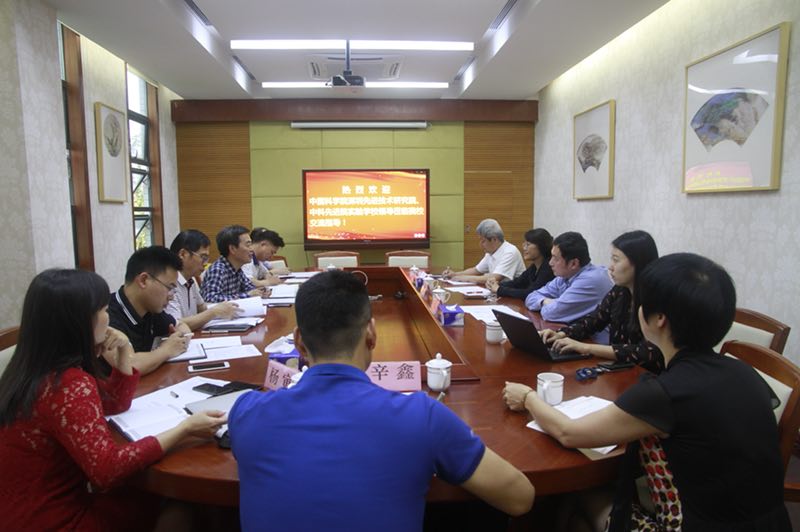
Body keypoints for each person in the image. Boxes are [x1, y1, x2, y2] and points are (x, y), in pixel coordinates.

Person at [229, 270, 535, 531]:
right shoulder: (421, 416)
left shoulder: (246, 412)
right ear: (372, 334)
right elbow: (520, 498)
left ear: (299, 342)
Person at [504, 254, 790, 531]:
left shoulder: (664, 392)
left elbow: (569, 433)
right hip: (770, 522)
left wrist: (528, 398)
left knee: (574, 496)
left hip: (693, 524)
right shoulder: (744, 372)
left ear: (659, 319)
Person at [0, 269, 226, 531]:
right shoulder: (68, 383)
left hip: (16, 510)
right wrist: (184, 429)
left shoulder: (29, 369)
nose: (108, 319)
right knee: (183, 500)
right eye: (104, 310)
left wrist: (123, 353)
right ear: (79, 320)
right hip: (54, 518)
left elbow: (114, 404)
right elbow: (108, 470)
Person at [540, 230, 664, 373]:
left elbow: (647, 352)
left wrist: (585, 347)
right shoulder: (619, 291)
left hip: (647, 375)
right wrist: (561, 334)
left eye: (616, 260)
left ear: (637, 262)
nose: (610, 266)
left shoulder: (656, 300)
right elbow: (593, 321)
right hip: (619, 369)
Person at [108, 246, 192, 375]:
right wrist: (166, 350)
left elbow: (182, 326)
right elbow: (129, 367)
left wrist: (178, 338)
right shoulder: (106, 315)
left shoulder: (151, 309)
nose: (171, 296)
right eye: (169, 288)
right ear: (143, 280)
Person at [524, 231, 613, 324]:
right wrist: (544, 301)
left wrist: (553, 303)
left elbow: (551, 314)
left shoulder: (591, 280)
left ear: (573, 263)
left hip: (592, 334)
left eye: (555, 258)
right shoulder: (565, 276)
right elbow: (530, 297)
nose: (550, 263)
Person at [166, 229, 241, 330]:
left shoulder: (190, 279)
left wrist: (224, 307)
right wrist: (213, 312)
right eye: (203, 257)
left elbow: (202, 308)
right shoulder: (168, 284)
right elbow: (176, 324)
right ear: (183, 254)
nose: (205, 263)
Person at [442, 218, 525, 284]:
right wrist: (454, 274)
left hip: (514, 296)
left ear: (494, 239)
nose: (480, 245)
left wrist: (463, 278)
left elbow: (494, 278)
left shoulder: (510, 252)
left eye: (483, 241)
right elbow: (476, 270)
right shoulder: (491, 252)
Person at [201, 225, 267, 303]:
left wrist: (261, 291)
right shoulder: (218, 269)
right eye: (248, 245)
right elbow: (210, 297)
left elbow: (249, 288)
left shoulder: (237, 268)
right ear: (232, 249)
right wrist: (247, 295)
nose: (252, 249)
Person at [485, 228, 555, 300]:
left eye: (528, 244)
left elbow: (531, 293)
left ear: (541, 246)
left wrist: (499, 289)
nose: (524, 248)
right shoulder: (534, 267)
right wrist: (496, 284)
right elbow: (517, 283)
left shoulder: (549, 268)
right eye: (524, 244)